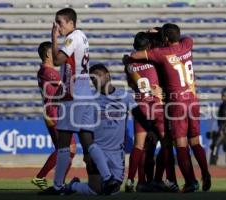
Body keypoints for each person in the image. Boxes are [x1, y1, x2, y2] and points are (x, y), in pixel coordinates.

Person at [40, 8, 116, 195]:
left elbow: (57, 61)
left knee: (64, 143)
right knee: (88, 140)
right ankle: (108, 178)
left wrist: (53, 38)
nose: (58, 26)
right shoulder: (82, 37)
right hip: (85, 95)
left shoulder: (72, 37)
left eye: (60, 22)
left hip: (73, 97)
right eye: (56, 23)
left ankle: (57, 186)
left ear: (71, 23)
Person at [130, 23, 211, 192]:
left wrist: (128, 59)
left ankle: (190, 181)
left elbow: (136, 55)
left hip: (176, 102)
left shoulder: (161, 53)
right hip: (194, 100)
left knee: (180, 144)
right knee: (195, 141)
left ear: (165, 38)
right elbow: (181, 37)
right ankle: (205, 172)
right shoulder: (188, 43)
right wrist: (161, 31)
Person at [65, 64, 150, 195]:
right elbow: (83, 131)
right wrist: (87, 152)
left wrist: (151, 131)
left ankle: (75, 185)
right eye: (92, 79)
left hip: (116, 153)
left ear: (107, 75)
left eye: (98, 75)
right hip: (97, 151)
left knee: (112, 191)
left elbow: (140, 116)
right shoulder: (90, 99)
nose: (95, 80)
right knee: (96, 191)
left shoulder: (125, 96)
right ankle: (73, 186)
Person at [124, 32, 176, 192]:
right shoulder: (153, 60)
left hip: (141, 106)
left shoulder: (129, 64)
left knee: (139, 146)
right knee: (166, 144)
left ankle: (131, 181)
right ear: (147, 47)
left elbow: (131, 83)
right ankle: (168, 180)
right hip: (157, 106)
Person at [32, 41, 76, 190]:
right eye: (55, 50)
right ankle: (47, 179)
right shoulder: (48, 71)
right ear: (47, 54)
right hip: (55, 113)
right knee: (68, 149)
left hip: (54, 113)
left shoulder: (45, 71)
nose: (57, 52)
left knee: (66, 149)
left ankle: (55, 181)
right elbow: (67, 87)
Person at [209, 87, 226, 165]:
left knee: (223, 147)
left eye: (224, 95)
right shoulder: (223, 105)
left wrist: (223, 129)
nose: (222, 96)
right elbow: (221, 119)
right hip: (223, 129)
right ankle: (214, 164)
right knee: (219, 147)